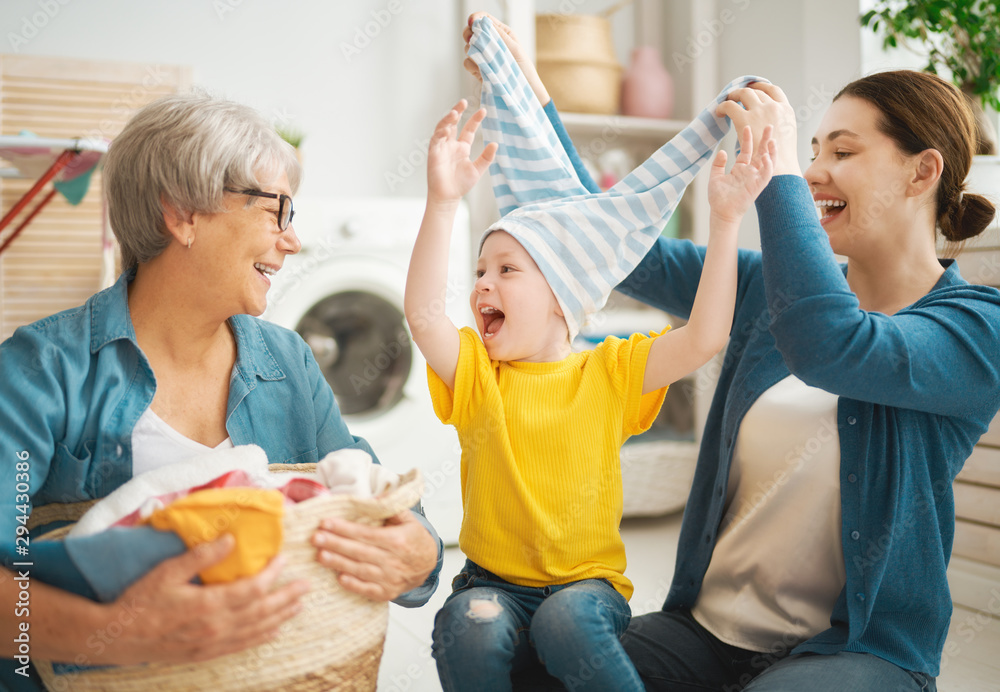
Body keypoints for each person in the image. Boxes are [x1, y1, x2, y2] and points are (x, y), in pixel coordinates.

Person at [463, 12, 1000, 691]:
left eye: (842, 152)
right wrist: (529, 98)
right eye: (807, 151)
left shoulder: (977, 327)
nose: (811, 171)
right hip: (706, 633)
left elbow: (833, 344)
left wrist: (772, 179)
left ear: (922, 172)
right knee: (530, 668)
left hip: (860, 651)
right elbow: (615, 248)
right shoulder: (761, 289)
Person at [0, 92, 442, 689]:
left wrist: (420, 555)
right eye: (276, 210)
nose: (291, 240)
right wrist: (122, 634)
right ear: (182, 213)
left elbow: (377, 498)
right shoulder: (41, 369)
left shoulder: (288, 363)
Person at [405, 33, 777, 683]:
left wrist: (724, 225)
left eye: (507, 269)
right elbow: (425, 315)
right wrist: (443, 203)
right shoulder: (477, 376)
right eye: (480, 270)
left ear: (562, 299)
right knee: (471, 624)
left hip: (586, 586)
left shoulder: (608, 371)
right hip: (489, 581)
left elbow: (704, 336)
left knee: (566, 622)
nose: (483, 283)